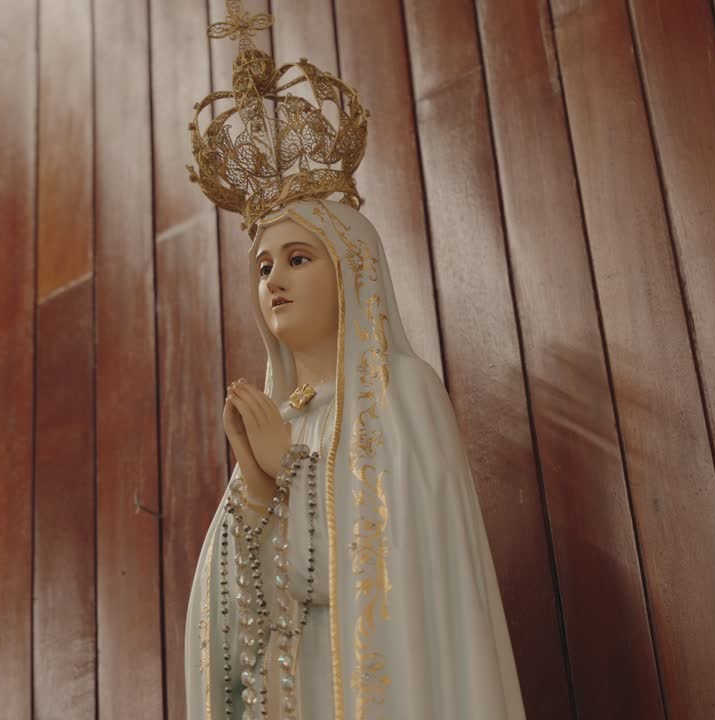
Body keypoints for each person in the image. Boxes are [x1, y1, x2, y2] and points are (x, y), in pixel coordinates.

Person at [184, 4, 526, 718]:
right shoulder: (278, 423)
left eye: (298, 258)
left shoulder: (400, 394)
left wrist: (293, 477)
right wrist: (253, 490)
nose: (272, 279)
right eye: (263, 264)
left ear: (354, 272)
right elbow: (230, 635)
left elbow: (401, 570)